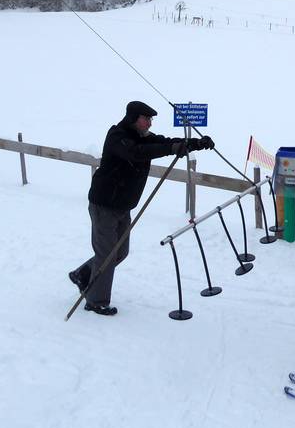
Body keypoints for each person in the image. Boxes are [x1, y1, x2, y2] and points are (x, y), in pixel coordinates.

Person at [69, 101, 213, 315]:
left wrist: (194, 143)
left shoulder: (142, 136)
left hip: (123, 206)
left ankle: (83, 274)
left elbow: (165, 142)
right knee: (107, 254)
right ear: (133, 118)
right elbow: (136, 152)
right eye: (146, 119)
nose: (150, 123)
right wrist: (171, 149)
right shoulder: (117, 136)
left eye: (151, 119)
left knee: (119, 252)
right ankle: (96, 301)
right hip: (104, 205)